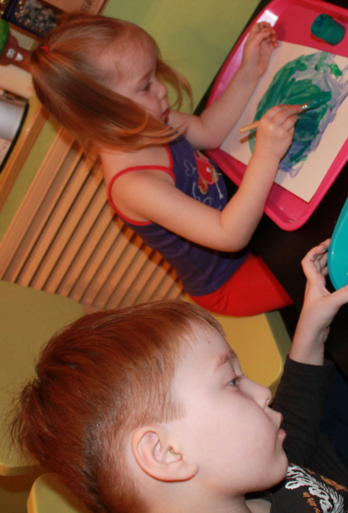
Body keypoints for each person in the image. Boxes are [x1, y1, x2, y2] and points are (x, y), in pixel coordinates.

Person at [12, 242, 348, 513]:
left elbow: (293, 440)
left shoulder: (228, 484)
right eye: (231, 382)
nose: (261, 391)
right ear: (167, 454)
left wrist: (308, 334)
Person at [28, 13, 298, 316]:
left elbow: (208, 131)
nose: (161, 89)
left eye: (154, 74)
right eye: (145, 86)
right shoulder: (133, 185)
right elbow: (229, 235)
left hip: (249, 225)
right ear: (103, 113)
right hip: (229, 282)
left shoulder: (149, 122)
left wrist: (249, 70)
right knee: (319, 271)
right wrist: (266, 155)